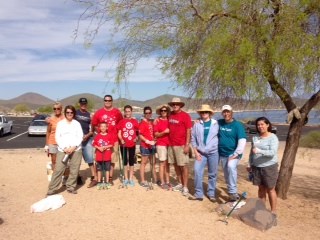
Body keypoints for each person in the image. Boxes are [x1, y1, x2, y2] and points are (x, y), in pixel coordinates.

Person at [46, 105, 83, 195]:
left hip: (76, 149)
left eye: (71, 112)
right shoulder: (60, 124)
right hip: (63, 149)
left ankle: (71, 187)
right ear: (65, 113)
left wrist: (74, 147)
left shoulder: (77, 123)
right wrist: (65, 148)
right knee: (58, 169)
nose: (69, 114)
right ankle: (52, 189)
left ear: (74, 113)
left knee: (74, 169)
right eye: (68, 112)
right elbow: (57, 137)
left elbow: (80, 136)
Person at [247, 117, 279, 215]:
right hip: (257, 167)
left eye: (262, 124)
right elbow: (251, 153)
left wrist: (259, 151)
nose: (260, 126)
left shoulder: (273, 137)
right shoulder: (255, 137)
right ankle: (261, 209)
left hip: (269, 167)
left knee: (270, 189)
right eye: (258, 125)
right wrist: (249, 163)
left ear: (267, 125)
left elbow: (272, 152)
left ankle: (273, 211)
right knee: (261, 189)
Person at [189, 104, 219, 201]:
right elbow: (193, 138)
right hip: (200, 153)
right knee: (197, 171)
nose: (204, 113)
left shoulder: (216, 124)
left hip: (213, 153)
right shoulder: (197, 124)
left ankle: (211, 193)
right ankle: (198, 194)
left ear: (210, 113)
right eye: (202, 112)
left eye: (206, 112)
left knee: (212, 174)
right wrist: (196, 152)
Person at [91, 94, 123, 185]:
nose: (107, 102)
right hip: (102, 140)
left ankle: (110, 178)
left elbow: (121, 124)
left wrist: (120, 135)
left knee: (112, 160)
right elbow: (94, 124)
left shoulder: (117, 112)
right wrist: (99, 133)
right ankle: (99, 178)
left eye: (109, 100)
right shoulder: (99, 112)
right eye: (106, 100)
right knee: (99, 159)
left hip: (114, 139)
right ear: (104, 101)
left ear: (112, 101)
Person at [218, 105, 246, 201]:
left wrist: (236, 154)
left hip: (234, 153)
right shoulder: (220, 123)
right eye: (224, 112)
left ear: (231, 112)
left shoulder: (237, 125)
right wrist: (198, 120)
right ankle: (231, 191)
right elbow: (209, 122)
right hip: (222, 153)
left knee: (231, 167)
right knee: (226, 174)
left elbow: (242, 140)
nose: (226, 114)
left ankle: (233, 193)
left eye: (228, 112)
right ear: (222, 113)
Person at [167, 97, 192, 196]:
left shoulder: (185, 116)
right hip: (171, 144)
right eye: (173, 104)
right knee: (176, 165)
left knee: (184, 166)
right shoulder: (170, 115)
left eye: (177, 104)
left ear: (180, 105)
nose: (175, 106)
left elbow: (188, 131)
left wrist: (187, 145)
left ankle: (185, 186)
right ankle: (180, 183)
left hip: (181, 145)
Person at [74, 97, 97, 187]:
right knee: (76, 160)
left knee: (90, 159)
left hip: (87, 139)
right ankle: (77, 176)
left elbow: (92, 129)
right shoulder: (75, 113)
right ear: (79, 104)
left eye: (85, 104)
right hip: (76, 140)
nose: (83, 105)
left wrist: (87, 136)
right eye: (82, 103)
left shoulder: (89, 115)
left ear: (87, 104)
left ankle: (94, 176)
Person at [117, 105, 139, 186]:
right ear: (124, 112)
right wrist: (121, 139)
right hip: (123, 145)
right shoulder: (121, 121)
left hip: (132, 144)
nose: (127, 113)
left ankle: (131, 178)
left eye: (129, 111)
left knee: (131, 162)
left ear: (131, 112)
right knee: (125, 162)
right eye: (126, 111)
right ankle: (126, 178)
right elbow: (119, 133)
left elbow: (137, 132)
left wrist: (136, 138)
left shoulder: (135, 121)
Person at [153, 104, 171, 189]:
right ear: (160, 112)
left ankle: (168, 181)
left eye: (165, 110)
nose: (163, 112)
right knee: (162, 164)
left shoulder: (170, 120)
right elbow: (156, 134)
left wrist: (197, 120)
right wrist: (164, 132)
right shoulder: (157, 121)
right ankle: (162, 182)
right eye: (162, 111)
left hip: (170, 144)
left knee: (167, 164)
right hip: (161, 145)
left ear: (167, 111)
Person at [92, 122, 114, 189]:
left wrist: (105, 146)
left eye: (104, 126)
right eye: (101, 126)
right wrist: (99, 148)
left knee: (107, 169)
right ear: (99, 128)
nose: (103, 128)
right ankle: (99, 181)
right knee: (99, 170)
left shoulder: (109, 135)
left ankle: (107, 181)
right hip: (99, 156)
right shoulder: (97, 136)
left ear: (107, 128)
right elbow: (94, 144)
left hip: (107, 156)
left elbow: (112, 144)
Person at [139, 106, 157, 187]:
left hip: (152, 145)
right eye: (146, 113)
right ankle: (142, 180)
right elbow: (140, 135)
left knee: (153, 162)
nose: (148, 114)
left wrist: (154, 140)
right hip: (145, 146)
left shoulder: (152, 122)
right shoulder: (142, 123)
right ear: (144, 114)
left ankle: (155, 179)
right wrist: (147, 141)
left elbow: (153, 133)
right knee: (144, 163)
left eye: (149, 113)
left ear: (151, 113)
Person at [45, 102, 64, 171]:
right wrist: (47, 145)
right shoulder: (51, 119)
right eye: (54, 108)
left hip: (62, 143)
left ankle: (63, 176)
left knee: (63, 161)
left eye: (58, 108)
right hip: (52, 142)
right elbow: (48, 132)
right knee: (54, 161)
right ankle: (55, 178)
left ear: (61, 109)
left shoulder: (65, 118)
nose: (56, 110)